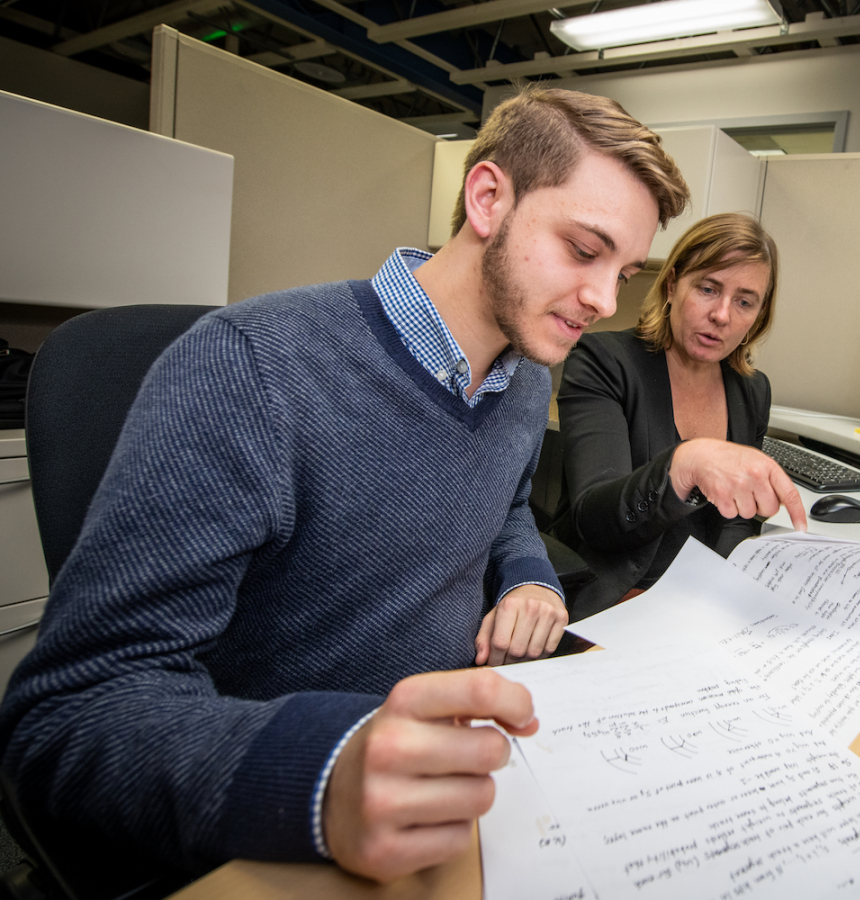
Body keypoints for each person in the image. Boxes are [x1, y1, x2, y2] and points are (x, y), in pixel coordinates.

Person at [0, 85, 689, 887]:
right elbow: (69, 712)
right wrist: (321, 773)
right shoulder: (249, 368)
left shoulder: (526, 372)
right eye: (582, 250)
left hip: (456, 784)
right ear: (489, 197)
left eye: (626, 270)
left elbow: (501, 502)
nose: (607, 300)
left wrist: (530, 577)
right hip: (287, 816)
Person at [550, 213, 806, 620]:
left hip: (702, 604)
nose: (722, 315)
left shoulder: (752, 390)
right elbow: (593, 520)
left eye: (744, 301)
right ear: (672, 284)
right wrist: (683, 466)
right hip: (619, 598)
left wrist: (722, 593)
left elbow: (736, 523)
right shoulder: (604, 362)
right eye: (708, 288)